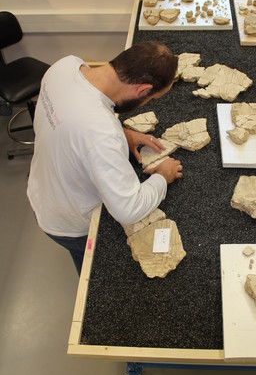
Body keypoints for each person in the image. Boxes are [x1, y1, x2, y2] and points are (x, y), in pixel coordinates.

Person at [27, 41, 183, 275]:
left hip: (42, 189)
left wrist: (124, 133)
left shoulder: (65, 65)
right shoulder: (102, 133)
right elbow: (128, 209)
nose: (147, 103)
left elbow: (72, 119)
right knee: (92, 271)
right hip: (69, 222)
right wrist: (162, 176)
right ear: (143, 90)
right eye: (151, 99)